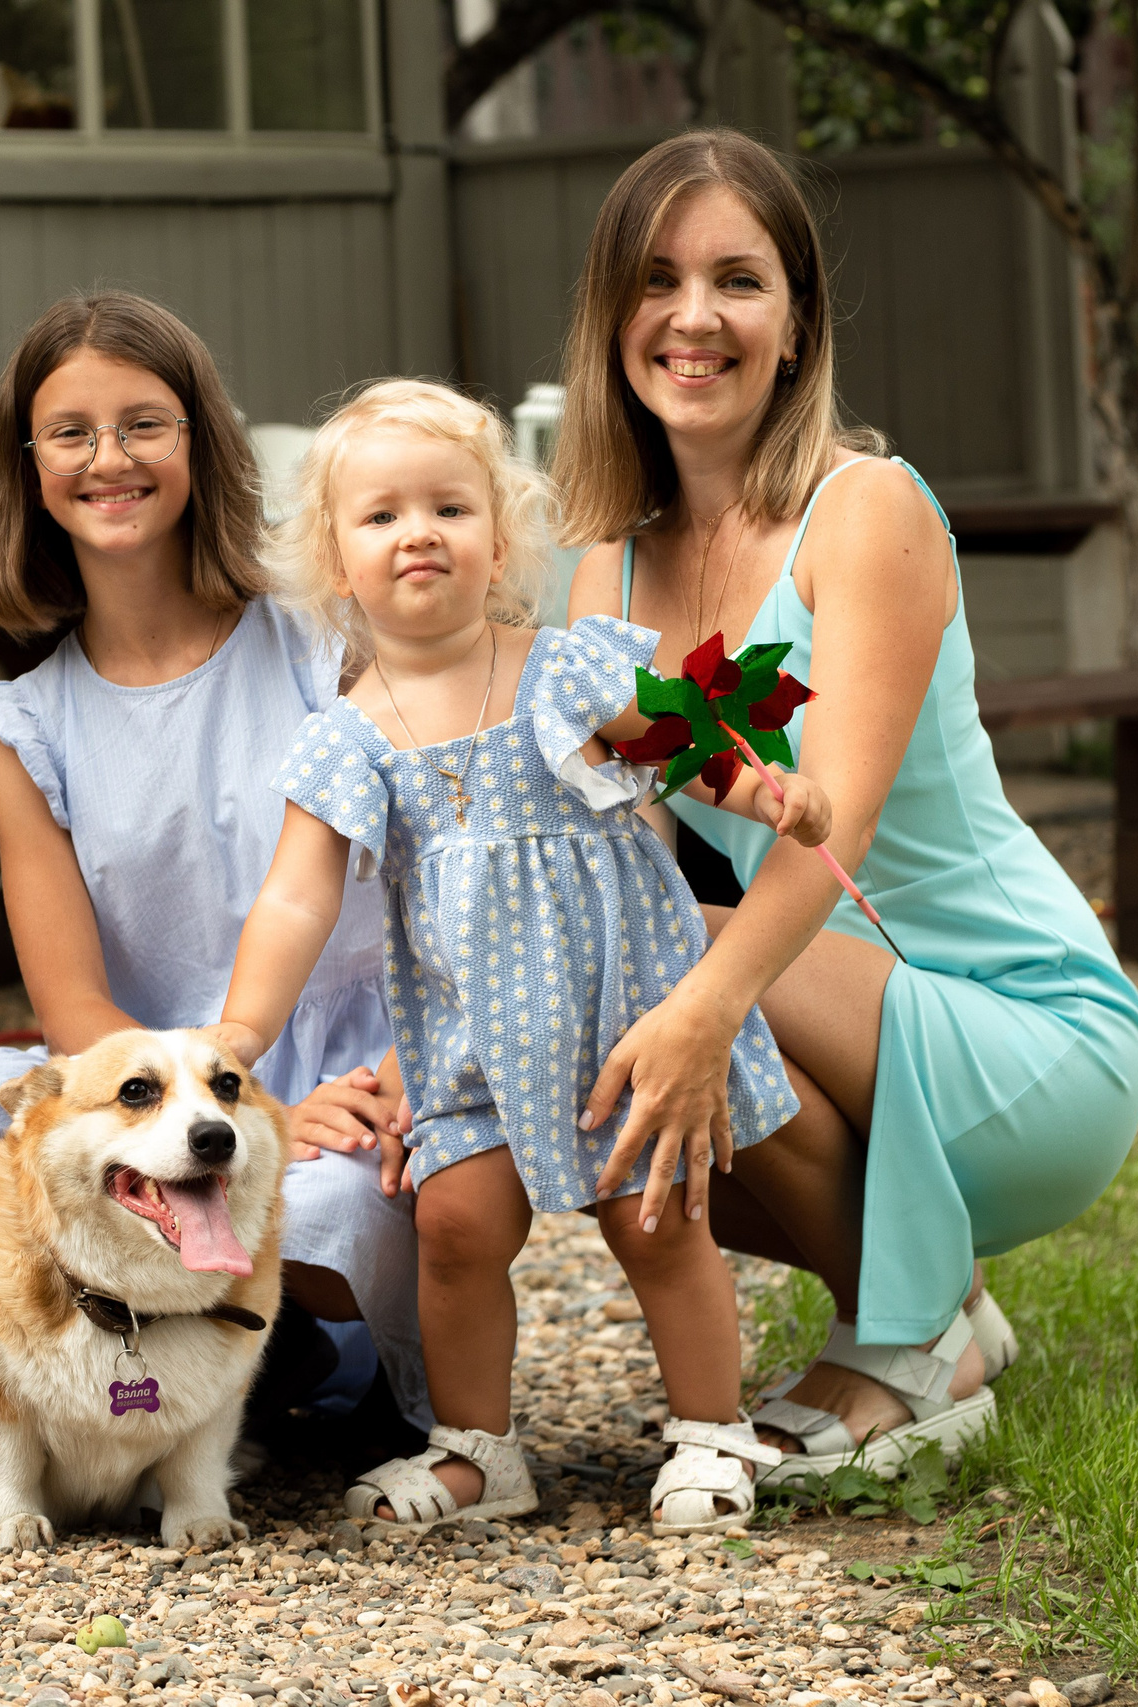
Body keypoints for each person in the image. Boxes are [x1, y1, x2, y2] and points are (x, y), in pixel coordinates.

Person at [556, 130, 1138, 1481]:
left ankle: (911, 1336)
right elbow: (619, 846)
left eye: (737, 279)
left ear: (796, 319)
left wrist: (696, 1008)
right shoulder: (610, 561)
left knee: (670, 971)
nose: (693, 316)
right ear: (610, 316)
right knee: (603, 976)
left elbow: (845, 829)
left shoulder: (864, 510)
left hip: (1025, 1031)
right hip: (827, 1006)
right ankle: (932, 1319)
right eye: (656, 279)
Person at [211, 379, 833, 1535]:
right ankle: (476, 1452)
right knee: (454, 1227)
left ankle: (710, 1431)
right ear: (334, 561)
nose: (419, 534)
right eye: (382, 515)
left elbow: (686, 747)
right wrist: (239, 1038)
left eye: (449, 508)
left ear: (499, 539)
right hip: (465, 1043)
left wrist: (763, 790)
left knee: (658, 1221)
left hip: (613, 1013)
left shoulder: (562, 669)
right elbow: (295, 900)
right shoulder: (347, 733)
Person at [0, 290, 427, 1435]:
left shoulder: (327, 639)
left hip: (347, 1074)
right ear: (29, 467)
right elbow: (73, 1002)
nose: (108, 459)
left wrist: (364, 1082)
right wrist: (170, 1111)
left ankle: (304, 1362)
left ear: (200, 442)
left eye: (144, 424)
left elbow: (442, 871)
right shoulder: (22, 724)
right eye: (70, 433)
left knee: (322, 1211)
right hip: (141, 1086)